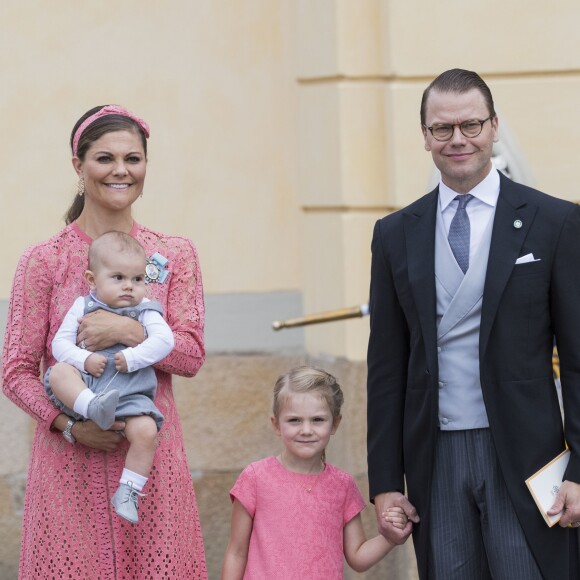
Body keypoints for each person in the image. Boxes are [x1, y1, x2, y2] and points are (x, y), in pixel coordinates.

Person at [367, 68, 580, 579]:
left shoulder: (555, 222)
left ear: (494, 127)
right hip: (434, 454)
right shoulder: (395, 233)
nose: (457, 139)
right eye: (442, 128)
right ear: (425, 136)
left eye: (471, 125)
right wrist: (384, 482)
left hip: (527, 454)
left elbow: (576, 360)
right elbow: (387, 367)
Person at [2, 105, 207, 578]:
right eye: (105, 158)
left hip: (150, 461)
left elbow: (192, 355)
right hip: (67, 466)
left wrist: (129, 331)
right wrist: (67, 425)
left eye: (133, 159)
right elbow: (14, 371)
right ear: (79, 165)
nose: (121, 171)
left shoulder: (172, 254)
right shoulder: (43, 261)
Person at [221, 366, 410, 579]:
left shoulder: (343, 485)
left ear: (335, 423)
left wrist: (390, 538)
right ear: (276, 424)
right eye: (294, 420)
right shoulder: (255, 478)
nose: (306, 430)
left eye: (317, 420)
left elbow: (357, 556)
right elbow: (236, 553)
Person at [45, 230, 175, 524]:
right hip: (87, 387)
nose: (129, 287)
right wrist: (85, 358)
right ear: (92, 279)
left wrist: (131, 357)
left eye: (138, 279)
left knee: (146, 432)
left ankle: (128, 491)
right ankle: (93, 407)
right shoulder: (82, 305)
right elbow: (59, 345)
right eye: (118, 278)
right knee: (60, 373)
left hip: (129, 396)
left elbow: (165, 341)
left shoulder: (145, 311)